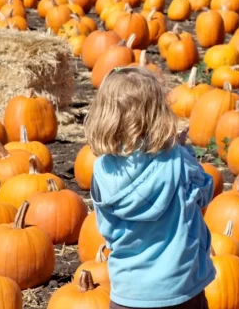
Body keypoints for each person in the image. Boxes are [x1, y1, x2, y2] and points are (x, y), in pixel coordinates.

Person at [85, 67, 215, 309]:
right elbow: (205, 192)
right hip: (181, 287)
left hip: (128, 291)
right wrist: (185, 151)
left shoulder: (102, 170)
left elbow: (107, 229)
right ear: (159, 113)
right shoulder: (177, 160)